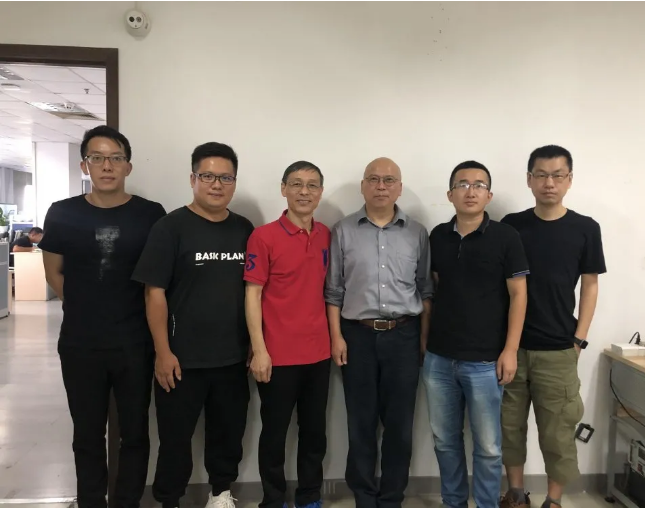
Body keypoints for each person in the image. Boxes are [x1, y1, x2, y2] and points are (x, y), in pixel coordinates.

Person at [39, 125, 166, 508]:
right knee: (87, 434)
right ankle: (91, 502)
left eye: (115, 158)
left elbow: (156, 282)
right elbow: (53, 274)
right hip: (80, 344)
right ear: (85, 165)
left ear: (128, 166)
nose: (107, 166)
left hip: (134, 343)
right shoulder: (62, 213)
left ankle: (127, 502)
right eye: (97, 158)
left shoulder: (150, 214)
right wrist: (88, 306)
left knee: (135, 434)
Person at [132, 142, 253, 509]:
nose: (217, 184)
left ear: (234, 182)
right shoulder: (170, 227)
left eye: (225, 178)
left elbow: (254, 291)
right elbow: (154, 293)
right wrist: (162, 352)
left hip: (232, 357)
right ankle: (170, 500)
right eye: (208, 176)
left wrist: (254, 343)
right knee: (175, 440)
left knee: (228, 435)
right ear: (192, 179)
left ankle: (221, 494)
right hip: (181, 360)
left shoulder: (244, 229)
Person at [500, 145, 607, 509]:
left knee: (558, 431)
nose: (549, 183)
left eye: (557, 175)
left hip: (559, 348)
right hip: (511, 347)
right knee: (509, 426)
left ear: (569, 180)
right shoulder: (511, 226)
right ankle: (516, 494)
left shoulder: (585, 228)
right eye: (542, 175)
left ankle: (554, 501)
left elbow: (590, 284)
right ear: (529, 180)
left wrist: (579, 339)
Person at [325, 157, 434, 508]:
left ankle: (391, 497)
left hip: (404, 336)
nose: (381, 186)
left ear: (399, 188)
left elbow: (425, 290)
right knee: (360, 422)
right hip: (356, 336)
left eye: (389, 180)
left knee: (400, 425)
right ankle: (364, 496)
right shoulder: (342, 230)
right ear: (363, 186)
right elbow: (334, 291)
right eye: (373, 179)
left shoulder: (417, 233)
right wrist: (336, 337)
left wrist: (423, 338)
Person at [423, 161, 529, 508]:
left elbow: (519, 294)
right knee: (445, 441)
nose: (471, 191)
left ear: (489, 195)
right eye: (463, 184)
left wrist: (510, 350)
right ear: (450, 194)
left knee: (488, 446)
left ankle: (485, 504)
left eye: (479, 185)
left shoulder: (506, 237)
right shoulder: (438, 236)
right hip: (439, 359)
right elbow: (432, 290)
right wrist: (425, 343)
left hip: (485, 361)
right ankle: (453, 502)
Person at [245, 161, 331, 509]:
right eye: (296, 184)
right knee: (274, 434)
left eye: (312, 185)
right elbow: (252, 295)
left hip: (319, 353)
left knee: (314, 433)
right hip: (277, 355)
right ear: (283, 189)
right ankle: (273, 499)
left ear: (320, 192)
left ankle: (310, 496)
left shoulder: (326, 235)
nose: (304, 192)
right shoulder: (263, 236)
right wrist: (259, 350)